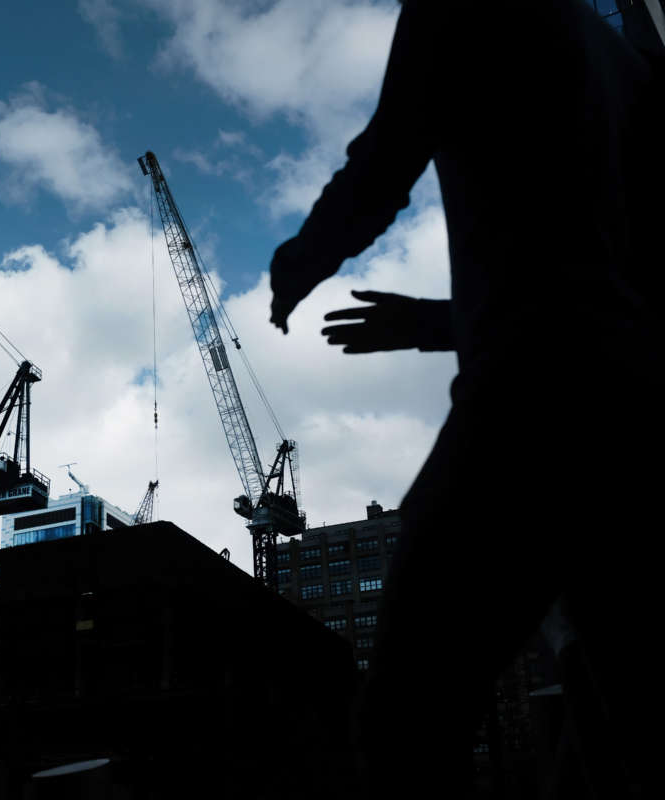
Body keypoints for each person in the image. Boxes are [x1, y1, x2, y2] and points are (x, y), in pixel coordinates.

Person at [268, 1, 661, 797]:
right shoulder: (622, 59)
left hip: (526, 406)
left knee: (406, 711)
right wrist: (435, 323)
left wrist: (297, 261)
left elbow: (382, 165)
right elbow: (617, 271)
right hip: (632, 403)